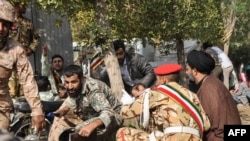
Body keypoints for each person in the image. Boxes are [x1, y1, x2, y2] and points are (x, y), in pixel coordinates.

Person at [116, 64, 210, 141]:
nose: (156, 83)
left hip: (171, 139)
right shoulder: (192, 95)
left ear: (164, 80)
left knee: (123, 132)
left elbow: (125, 113)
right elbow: (206, 125)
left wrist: (129, 102)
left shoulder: (157, 93)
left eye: (157, 79)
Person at [0, 0, 45, 132]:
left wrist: (37, 111)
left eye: (5, 25)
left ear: (10, 27)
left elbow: (28, 81)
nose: (0, 29)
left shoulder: (16, 49)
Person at [48, 64, 123, 141]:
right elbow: (72, 100)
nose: (70, 86)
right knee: (59, 121)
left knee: (78, 131)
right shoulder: (74, 88)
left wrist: (92, 125)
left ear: (82, 79)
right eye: (67, 82)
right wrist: (62, 111)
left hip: (114, 117)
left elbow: (108, 113)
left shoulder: (93, 89)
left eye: (73, 82)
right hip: (92, 114)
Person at [186, 50, 241, 141]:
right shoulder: (210, 82)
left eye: (187, 69)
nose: (187, 73)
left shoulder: (210, 88)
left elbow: (221, 130)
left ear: (195, 71)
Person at [8, 1, 40, 98]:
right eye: (23, 5)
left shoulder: (28, 23)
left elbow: (36, 38)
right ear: (16, 5)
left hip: (23, 61)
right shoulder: (7, 22)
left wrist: (30, 50)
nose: (25, 7)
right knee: (10, 91)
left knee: (24, 90)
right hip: (8, 62)